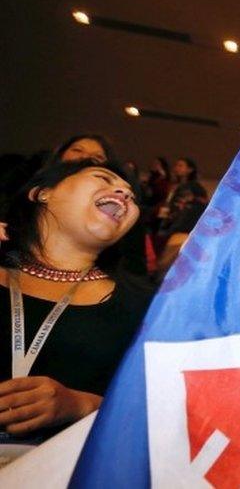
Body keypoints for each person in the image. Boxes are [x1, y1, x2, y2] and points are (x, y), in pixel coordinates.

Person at [0, 159, 151, 450]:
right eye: (103, 178)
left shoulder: (145, 306)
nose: (124, 194)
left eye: (131, 196)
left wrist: (82, 405)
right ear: (42, 192)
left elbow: (161, 411)